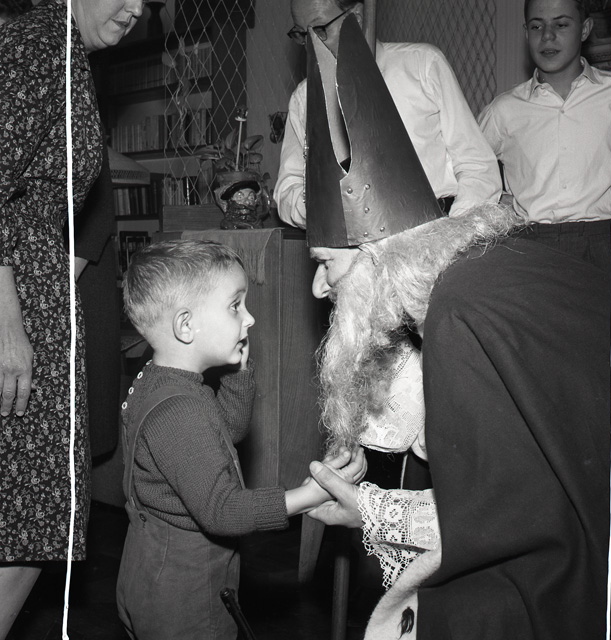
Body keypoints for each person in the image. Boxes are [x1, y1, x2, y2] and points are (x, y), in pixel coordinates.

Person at [294, 9, 611, 638]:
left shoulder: (457, 321)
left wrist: (376, 513)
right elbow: (511, 503)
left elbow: (507, 532)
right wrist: (376, 510)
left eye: (324, 264)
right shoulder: (485, 274)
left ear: (375, 253)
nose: (318, 287)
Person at [116, 239, 366, 640]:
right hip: (184, 594)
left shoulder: (161, 381)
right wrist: (309, 496)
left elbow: (221, 438)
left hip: (150, 568)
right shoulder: (178, 412)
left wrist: (237, 374)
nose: (249, 318)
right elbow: (223, 511)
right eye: (235, 306)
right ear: (185, 326)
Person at [0, 0, 146, 636]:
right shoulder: (39, 44)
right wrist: (7, 323)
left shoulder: (65, 51)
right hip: (18, 303)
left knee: (34, 518)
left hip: (34, 294)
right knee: (34, 516)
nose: (136, 9)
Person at [273, 0, 502, 228]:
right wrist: (324, 210)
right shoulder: (304, 99)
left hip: (434, 231)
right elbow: (287, 189)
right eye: (302, 34)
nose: (311, 46)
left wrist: (451, 232)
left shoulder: (422, 65)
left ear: (357, 17)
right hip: (346, 240)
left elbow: (478, 167)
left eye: (320, 30)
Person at [478, 0, 611, 284]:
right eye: (536, 26)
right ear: (525, 32)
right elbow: (465, 169)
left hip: (601, 246)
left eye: (561, 24)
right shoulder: (503, 111)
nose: (547, 36)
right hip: (529, 249)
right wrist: (495, 201)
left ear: (585, 29)